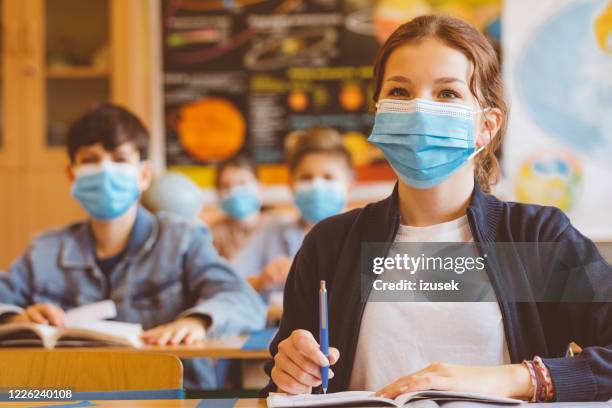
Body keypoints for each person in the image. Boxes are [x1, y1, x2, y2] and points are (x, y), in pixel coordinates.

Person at [263, 15, 612, 402]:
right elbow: (282, 386)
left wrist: (514, 379)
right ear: (378, 111)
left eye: (447, 93)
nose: (418, 110)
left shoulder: (539, 236)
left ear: (487, 125)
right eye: (399, 91)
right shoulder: (330, 244)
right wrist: (290, 376)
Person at [0, 104, 266, 389]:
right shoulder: (44, 250)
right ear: (71, 174)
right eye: (90, 159)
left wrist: (197, 322)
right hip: (73, 395)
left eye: (120, 158)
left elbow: (246, 303)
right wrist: (18, 318)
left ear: (144, 175)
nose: (105, 170)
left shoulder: (182, 239)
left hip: (172, 397)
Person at [233, 127, 354, 296]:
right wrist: (262, 280)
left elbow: (391, 298)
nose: (316, 186)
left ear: (349, 185)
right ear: (290, 184)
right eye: (306, 177)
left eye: (328, 177)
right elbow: (229, 286)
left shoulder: (370, 233)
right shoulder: (271, 230)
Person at [210, 155, 264, 261]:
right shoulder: (212, 237)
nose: (234, 191)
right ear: (218, 194)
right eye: (226, 186)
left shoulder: (276, 229)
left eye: (242, 183)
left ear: (260, 188)